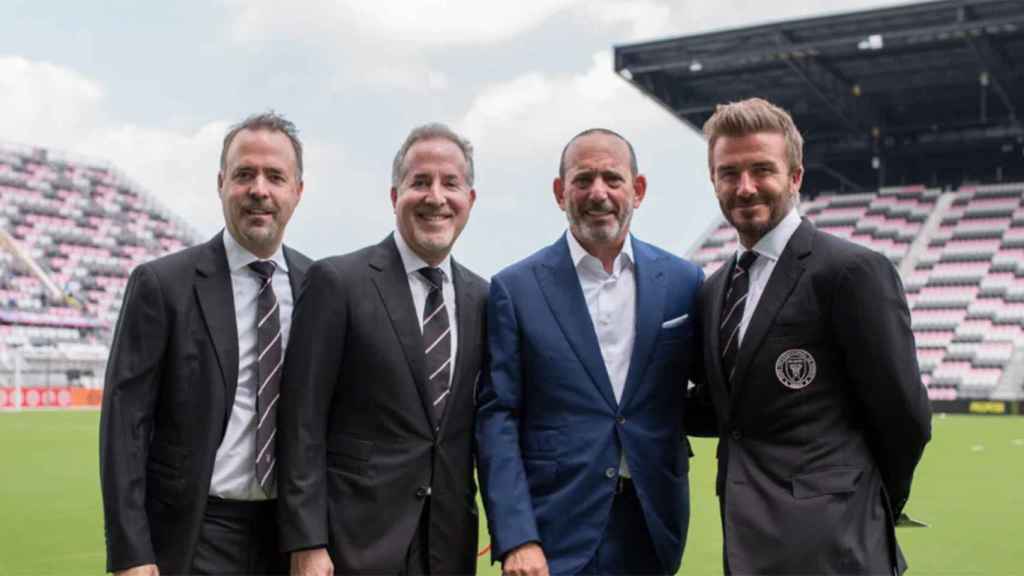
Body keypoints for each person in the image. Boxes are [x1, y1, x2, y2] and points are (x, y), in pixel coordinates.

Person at [694, 97, 932, 575]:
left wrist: (867, 498)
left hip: (836, 547)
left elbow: (904, 413)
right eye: (729, 173)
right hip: (747, 543)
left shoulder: (850, 272)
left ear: (796, 177)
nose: (745, 187)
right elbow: (727, 407)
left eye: (762, 169)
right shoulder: (715, 289)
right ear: (714, 181)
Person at [476, 129, 704, 576]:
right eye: (583, 180)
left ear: (637, 191)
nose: (598, 193)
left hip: (652, 526)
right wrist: (518, 537)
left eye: (612, 179)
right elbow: (497, 418)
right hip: (556, 530)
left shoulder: (684, 282)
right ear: (561, 192)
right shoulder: (516, 289)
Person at [99, 112, 311, 575]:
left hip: (292, 538)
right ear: (221, 184)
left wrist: (318, 538)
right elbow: (124, 426)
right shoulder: (162, 285)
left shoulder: (321, 288)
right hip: (196, 535)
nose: (259, 189)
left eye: (275, 176)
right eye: (244, 175)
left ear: (297, 190)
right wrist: (131, 553)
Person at [278, 123, 487, 576]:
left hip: (446, 548)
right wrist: (307, 540)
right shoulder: (338, 282)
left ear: (470, 200)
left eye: (451, 183)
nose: (435, 197)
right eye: (420, 182)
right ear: (395, 197)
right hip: (352, 545)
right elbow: (301, 422)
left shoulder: (485, 299)